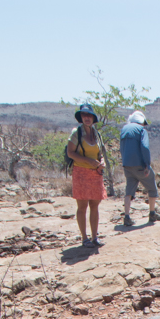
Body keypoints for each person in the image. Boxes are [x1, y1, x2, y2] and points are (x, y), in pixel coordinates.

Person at [67, 104, 106, 247]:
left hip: (95, 173)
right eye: (84, 115)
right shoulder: (76, 133)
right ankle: (84, 238)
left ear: (93, 118)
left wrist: (101, 162)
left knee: (95, 205)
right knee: (82, 205)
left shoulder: (96, 134)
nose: (86, 118)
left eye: (89, 115)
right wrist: (88, 161)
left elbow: (100, 153)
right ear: (80, 117)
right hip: (81, 173)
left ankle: (94, 237)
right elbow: (70, 153)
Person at [119, 110, 159, 227]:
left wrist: (125, 162)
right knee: (152, 187)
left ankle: (127, 217)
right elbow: (145, 147)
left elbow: (122, 148)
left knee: (129, 190)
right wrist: (146, 164)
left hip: (127, 165)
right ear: (141, 121)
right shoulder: (141, 130)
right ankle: (152, 214)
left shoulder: (124, 129)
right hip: (139, 165)